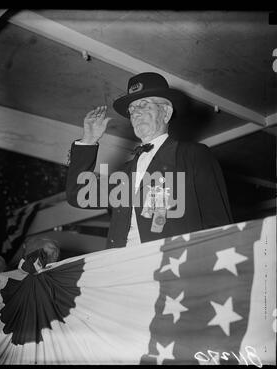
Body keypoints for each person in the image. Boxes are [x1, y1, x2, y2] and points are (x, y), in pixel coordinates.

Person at [66, 72, 233, 249]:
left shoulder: (193, 155)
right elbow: (79, 194)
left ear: (166, 112)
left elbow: (219, 222)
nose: (136, 114)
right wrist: (88, 141)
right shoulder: (124, 174)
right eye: (132, 110)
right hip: (121, 266)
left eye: (144, 105)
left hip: (171, 265)